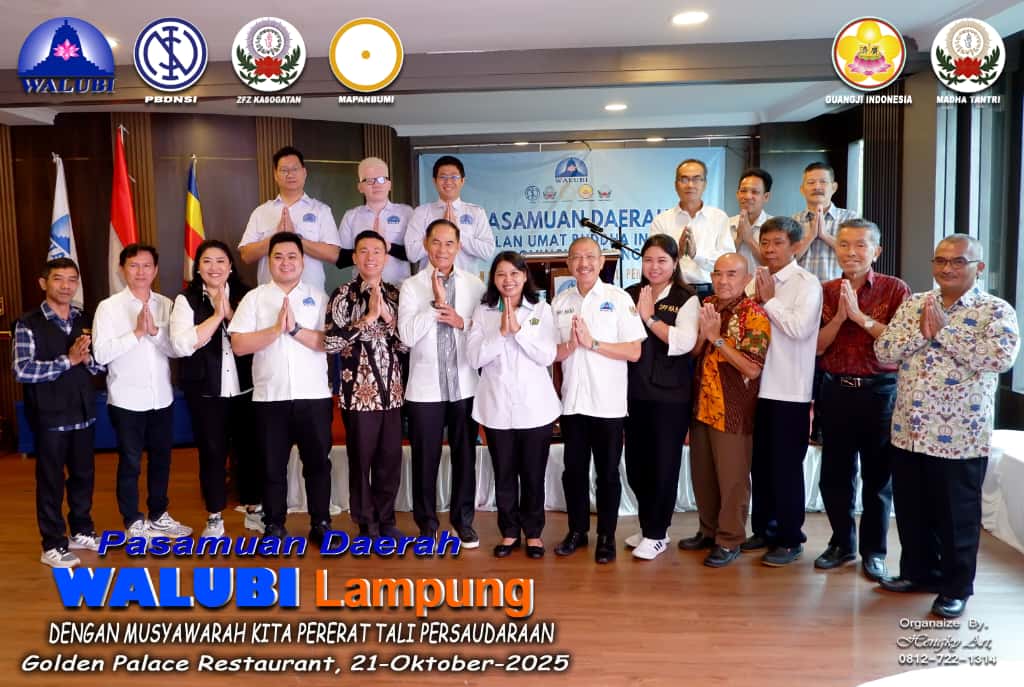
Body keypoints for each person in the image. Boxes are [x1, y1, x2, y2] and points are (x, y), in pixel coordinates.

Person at [875, 234, 1019, 619]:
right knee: (912, 511)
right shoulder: (915, 303)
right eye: (941, 260)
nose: (947, 268)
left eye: (958, 262)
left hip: (960, 435)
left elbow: (1001, 358)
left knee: (957, 517)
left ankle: (956, 588)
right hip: (909, 430)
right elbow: (883, 349)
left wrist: (945, 332)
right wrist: (920, 332)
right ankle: (919, 574)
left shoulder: (995, 310)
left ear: (978, 267)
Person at [814, 220, 910, 581]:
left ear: (876, 251)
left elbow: (899, 343)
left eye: (860, 245)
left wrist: (859, 317)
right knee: (834, 475)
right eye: (843, 244)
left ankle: (874, 552)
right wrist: (841, 318)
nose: (850, 252)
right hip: (835, 389)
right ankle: (842, 543)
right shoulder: (825, 290)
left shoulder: (894, 289)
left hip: (879, 392)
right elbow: (817, 346)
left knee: (877, 477)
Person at [229, 233, 333, 544]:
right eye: (278, 256)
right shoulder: (255, 298)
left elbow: (328, 343)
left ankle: (321, 523)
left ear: (303, 261)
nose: (285, 262)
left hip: (314, 396)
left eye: (292, 256)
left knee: (317, 464)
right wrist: (276, 330)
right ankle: (274, 524)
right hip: (269, 398)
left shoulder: (319, 297)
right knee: (271, 465)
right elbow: (239, 345)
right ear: (269, 261)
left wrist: (295, 329)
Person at [552, 237, 646, 564]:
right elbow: (552, 353)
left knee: (607, 473)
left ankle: (606, 536)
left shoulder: (618, 299)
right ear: (568, 262)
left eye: (590, 257)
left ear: (602, 261)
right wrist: (570, 345)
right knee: (573, 472)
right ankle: (577, 532)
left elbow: (634, 351)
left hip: (607, 404)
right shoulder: (560, 302)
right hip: (572, 403)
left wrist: (592, 343)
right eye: (577, 257)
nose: (584, 263)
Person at [398, 219, 487, 545]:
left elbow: (484, 331)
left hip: (465, 385)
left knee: (465, 457)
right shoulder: (411, 286)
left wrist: (461, 321)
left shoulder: (475, 286)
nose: (442, 249)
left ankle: (463, 521)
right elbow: (406, 336)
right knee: (425, 459)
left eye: (449, 243)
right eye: (436, 242)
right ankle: (427, 524)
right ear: (425, 245)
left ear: (459, 246)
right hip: (425, 389)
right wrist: (435, 306)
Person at [93, 244, 191, 539]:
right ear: (122, 269)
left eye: (147, 266)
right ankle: (133, 521)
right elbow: (101, 354)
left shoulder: (166, 304)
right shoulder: (108, 307)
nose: (140, 272)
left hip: (161, 397)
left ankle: (159, 514)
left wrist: (155, 332)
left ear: (155, 270)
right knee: (131, 462)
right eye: (133, 266)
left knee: (162, 460)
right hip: (126, 400)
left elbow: (176, 349)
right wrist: (136, 333)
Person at [467, 251, 560, 559]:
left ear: (524, 277)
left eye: (514, 274)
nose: (508, 280)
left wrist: (518, 333)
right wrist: (500, 333)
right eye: (501, 274)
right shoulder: (483, 312)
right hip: (496, 407)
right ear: (493, 279)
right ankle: (509, 532)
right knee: (504, 474)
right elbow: (474, 358)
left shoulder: (541, 309)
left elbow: (547, 355)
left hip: (535, 408)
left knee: (533, 474)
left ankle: (533, 534)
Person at [13, 258, 104, 567]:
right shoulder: (28, 323)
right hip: (49, 415)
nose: (66, 286)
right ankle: (52, 544)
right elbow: (22, 370)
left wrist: (88, 359)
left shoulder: (84, 318)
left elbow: (98, 366)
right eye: (58, 279)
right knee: (50, 481)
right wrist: (68, 360)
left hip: (83, 411)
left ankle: (81, 530)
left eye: (71, 279)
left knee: (83, 476)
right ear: (43, 283)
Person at [744, 217, 822, 566]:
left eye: (778, 243)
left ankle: (791, 538)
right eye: (765, 242)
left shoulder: (807, 283)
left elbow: (799, 329)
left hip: (789, 389)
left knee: (786, 468)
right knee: (760, 465)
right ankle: (764, 529)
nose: (770, 249)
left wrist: (770, 301)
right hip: (756, 388)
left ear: (794, 246)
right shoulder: (758, 279)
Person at [684, 253, 770, 567]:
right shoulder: (707, 305)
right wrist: (702, 337)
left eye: (731, 274)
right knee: (702, 475)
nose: (723, 280)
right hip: (701, 405)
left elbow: (752, 368)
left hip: (732, 407)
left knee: (733, 479)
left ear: (746, 279)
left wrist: (717, 339)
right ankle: (708, 531)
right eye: (718, 274)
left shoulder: (754, 314)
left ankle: (730, 538)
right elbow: (694, 352)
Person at [170, 239, 260, 538]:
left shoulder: (247, 296)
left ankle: (253, 509)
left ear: (231, 266)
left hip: (246, 388)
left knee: (250, 450)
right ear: (198, 268)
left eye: (221, 261)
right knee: (212, 453)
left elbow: (254, 336)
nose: (214, 267)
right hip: (206, 391)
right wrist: (216, 316)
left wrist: (230, 313)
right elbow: (183, 344)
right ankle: (214, 516)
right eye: (207, 261)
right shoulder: (186, 300)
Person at [324, 230, 408, 538]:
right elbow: (330, 342)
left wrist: (388, 318)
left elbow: (407, 345)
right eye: (364, 251)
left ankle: (386, 521)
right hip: (358, 395)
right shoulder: (342, 295)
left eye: (377, 251)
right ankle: (366, 523)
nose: (370, 257)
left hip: (392, 394)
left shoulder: (396, 294)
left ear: (385, 257)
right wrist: (369, 318)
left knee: (390, 461)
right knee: (361, 462)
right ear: (355, 257)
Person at [624, 235, 699, 560]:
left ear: (675, 263)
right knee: (636, 465)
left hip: (670, 396)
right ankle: (648, 527)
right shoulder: (630, 293)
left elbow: (684, 342)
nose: (654, 267)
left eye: (662, 261)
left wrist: (650, 318)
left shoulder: (686, 298)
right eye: (648, 260)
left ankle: (657, 533)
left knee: (663, 465)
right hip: (634, 391)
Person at [238, 146, 341, 291]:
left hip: (310, 296)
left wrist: (296, 238)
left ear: (304, 172)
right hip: (270, 296)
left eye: (295, 169)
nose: (290, 174)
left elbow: (333, 254)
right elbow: (246, 255)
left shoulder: (321, 210)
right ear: (275, 175)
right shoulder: (261, 212)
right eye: (284, 170)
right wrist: (276, 238)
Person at [649, 158, 734, 296]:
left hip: (710, 292)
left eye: (696, 179)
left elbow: (727, 262)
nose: (690, 185)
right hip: (672, 291)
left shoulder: (719, 218)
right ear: (676, 185)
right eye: (684, 179)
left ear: (705, 184)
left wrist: (696, 255)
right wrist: (677, 252)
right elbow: (654, 263)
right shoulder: (661, 220)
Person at [405, 155, 496, 273]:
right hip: (430, 281)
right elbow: (412, 254)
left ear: (462, 180)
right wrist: (435, 236)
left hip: (466, 281)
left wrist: (458, 232)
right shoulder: (421, 213)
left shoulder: (476, 212)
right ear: (434, 181)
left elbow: (488, 252)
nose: (448, 182)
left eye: (454, 177)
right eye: (443, 177)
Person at [336, 156, 413, 285]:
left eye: (381, 179)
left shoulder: (407, 213)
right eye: (369, 180)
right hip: (362, 288)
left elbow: (414, 254)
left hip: (400, 288)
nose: (377, 185)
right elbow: (341, 260)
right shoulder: (351, 216)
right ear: (360, 187)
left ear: (389, 184)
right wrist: (366, 250)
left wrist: (388, 247)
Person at [792, 162, 858, 282]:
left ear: (834, 187)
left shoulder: (849, 218)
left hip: (838, 287)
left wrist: (825, 235)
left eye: (823, 182)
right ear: (802, 189)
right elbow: (788, 259)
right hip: (801, 289)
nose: (817, 187)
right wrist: (811, 236)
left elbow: (855, 253)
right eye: (811, 182)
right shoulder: (793, 221)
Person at [729, 168, 773, 274]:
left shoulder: (776, 227)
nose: (748, 196)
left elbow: (775, 265)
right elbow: (718, 263)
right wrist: (738, 239)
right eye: (743, 191)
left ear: (766, 197)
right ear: (737, 194)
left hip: (763, 284)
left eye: (755, 192)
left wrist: (749, 239)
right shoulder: (726, 224)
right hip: (731, 284)